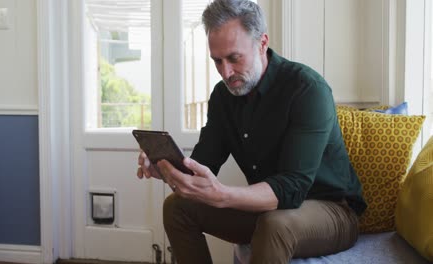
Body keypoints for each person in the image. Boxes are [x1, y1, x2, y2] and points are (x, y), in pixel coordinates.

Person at [137, 0, 366, 263]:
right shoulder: (223, 97)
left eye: (234, 58)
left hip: (332, 210)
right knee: (177, 207)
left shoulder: (307, 89)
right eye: (217, 61)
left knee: (275, 225)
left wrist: (223, 195)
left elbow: (293, 187)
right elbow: (203, 164)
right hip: (267, 208)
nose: (226, 72)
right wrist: (165, 167)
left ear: (262, 43)